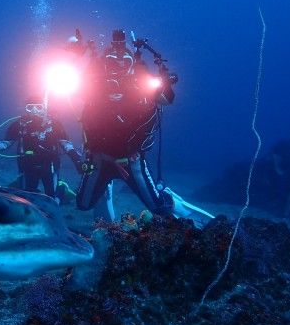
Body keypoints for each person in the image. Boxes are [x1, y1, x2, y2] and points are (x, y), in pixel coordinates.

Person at [72, 29, 213, 226]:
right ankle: (104, 190)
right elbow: (74, 92)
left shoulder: (140, 84)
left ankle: (171, 200)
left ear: (132, 64)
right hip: (100, 158)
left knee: (157, 207)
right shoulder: (94, 85)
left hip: (131, 160)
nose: (118, 65)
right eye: (112, 61)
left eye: (125, 61)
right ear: (104, 64)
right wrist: (78, 57)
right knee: (83, 205)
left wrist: (165, 82)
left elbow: (166, 99)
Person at [0, 97, 82, 203]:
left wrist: (76, 160)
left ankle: (61, 188)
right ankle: (28, 190)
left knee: (53, 199)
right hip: (27, 164)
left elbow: (66, 145)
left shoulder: (54, 124)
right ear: (26, 109)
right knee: (26, 197)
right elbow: (6, 143)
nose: (34, 111)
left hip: (50, 165)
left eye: (38, 107)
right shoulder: (20, 124)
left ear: (45, 108)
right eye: (30, 107)